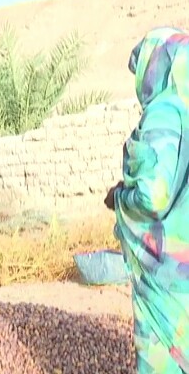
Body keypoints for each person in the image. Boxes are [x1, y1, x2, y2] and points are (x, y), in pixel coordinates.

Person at [104, 27, 189, 373]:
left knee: (166, 355)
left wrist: (121, 196)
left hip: (170, 272)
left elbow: (152, 196)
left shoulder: (165, 113)